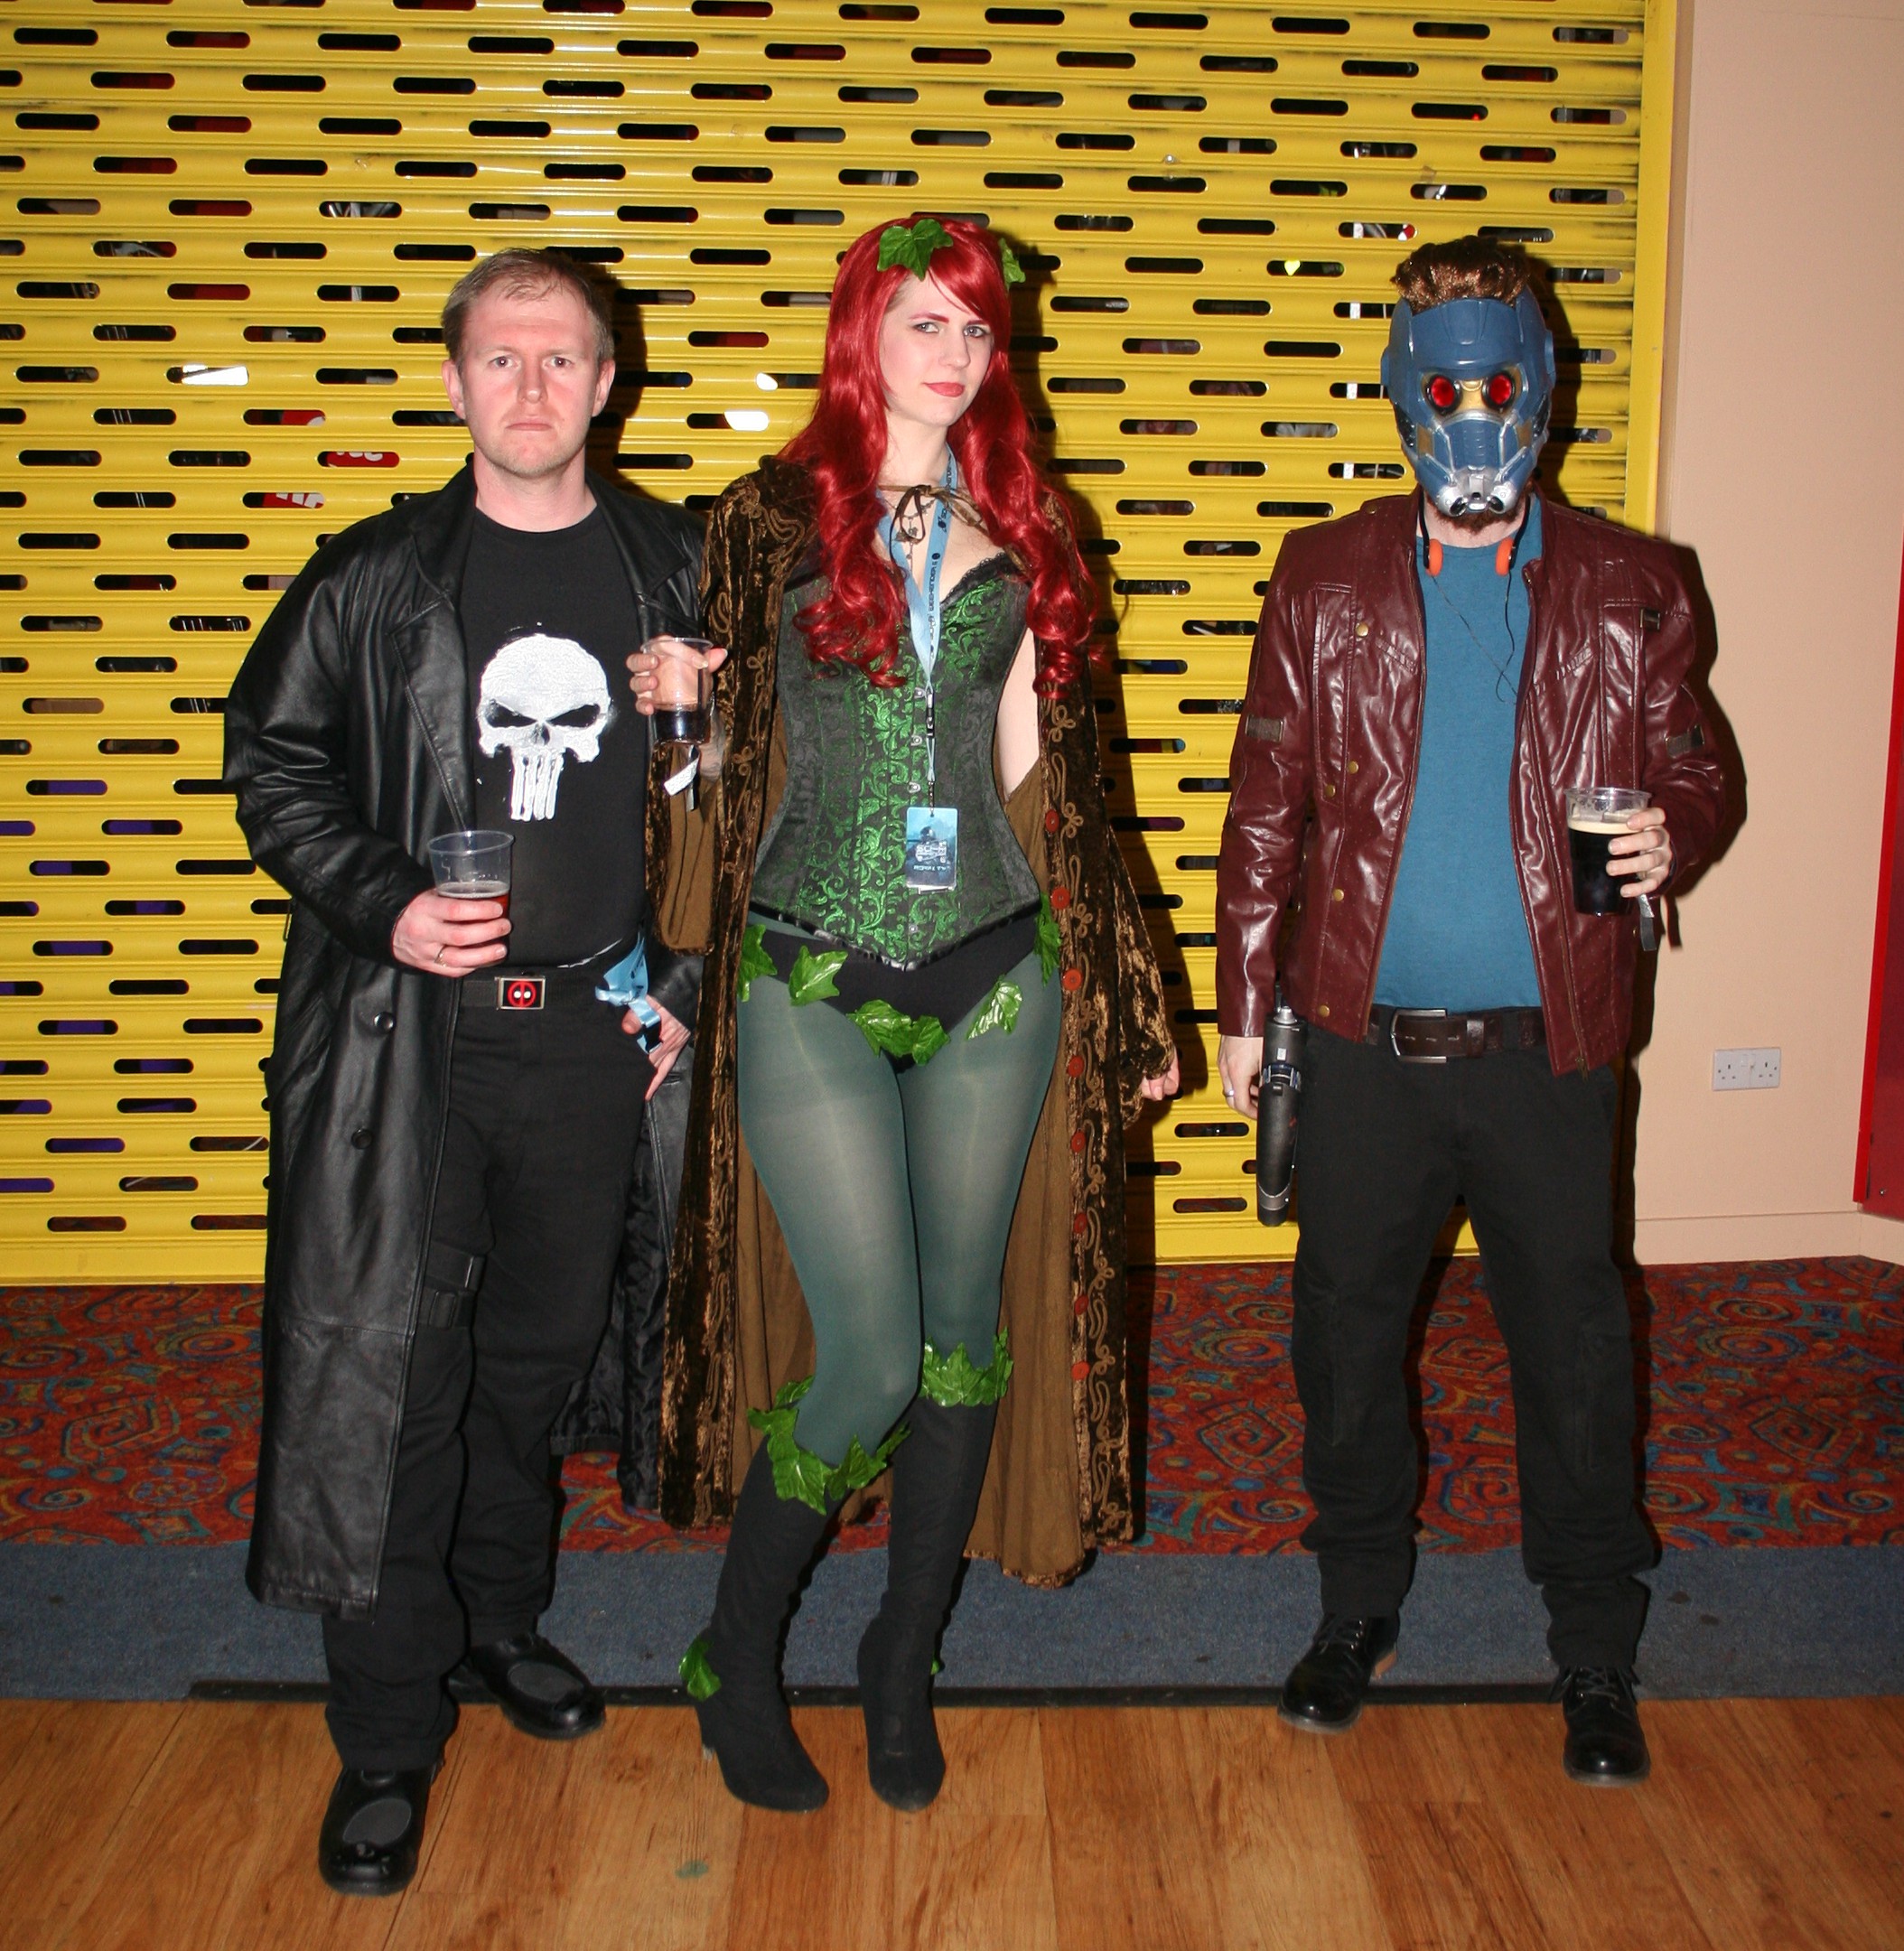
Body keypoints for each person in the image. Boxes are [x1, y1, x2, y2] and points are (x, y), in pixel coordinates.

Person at [627, 215, 1180, 1814]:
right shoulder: (764, 519)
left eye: (977, 330)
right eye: (923, 322)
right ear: (860, 335)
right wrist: (678, 720)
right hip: (809, 964)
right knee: (868, 1359)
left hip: (996, 970)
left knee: (964, 1346)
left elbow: (1058, 786)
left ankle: (900, 1653)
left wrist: (1130, 985)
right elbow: (720, 781)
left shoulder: (1032, 521)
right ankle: (734, 1656)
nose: (954, 354)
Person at [1215, 235, 1727, 1785]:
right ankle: (1355, 1604)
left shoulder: (1636, 583)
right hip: (1362, 1045)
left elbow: (1698, 765)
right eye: (1446, 391)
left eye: (1500, 385)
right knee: (1345, 1335)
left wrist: (1676, 830)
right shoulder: (1326, 574)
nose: (1476, 420)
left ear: (1544, 390)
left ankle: (1594, 1644)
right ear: (1402, 395)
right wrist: (1244, 1007)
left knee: (1574, 1347)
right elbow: (1267, 804)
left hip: (1549, 1048)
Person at [223, 248, 704, 1895]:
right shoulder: (371, 578)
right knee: (403, 1379)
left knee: (535, 1364)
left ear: (609, 381)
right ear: (454, 383)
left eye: (563, 358)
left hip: (598, 1039)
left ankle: (499, 1619)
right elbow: (272, 761)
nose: (533, 386)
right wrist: (384, 900)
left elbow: (747, 799)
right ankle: (384, 1734)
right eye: (502, 358)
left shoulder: (677, 569)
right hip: (412, 1046)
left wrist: (684, 985)